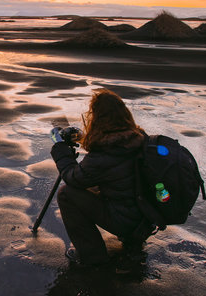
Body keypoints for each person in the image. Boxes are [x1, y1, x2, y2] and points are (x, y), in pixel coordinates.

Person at [50, 88, 152, 272]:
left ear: (97, 118)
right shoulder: (140, 139)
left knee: (66, 194)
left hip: (126, 221)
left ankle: (93, 257)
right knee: (105, 184)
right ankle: (133, 243)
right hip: (146, 218)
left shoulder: (106, 152)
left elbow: (74, 178)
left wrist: (60, 150)